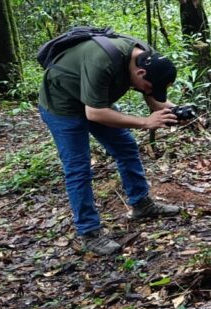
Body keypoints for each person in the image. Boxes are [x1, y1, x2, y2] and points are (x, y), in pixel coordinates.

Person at [37, 33, 183, 257]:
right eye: (146, 85)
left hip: (93, 100)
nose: (147, 90)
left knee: (125, 147)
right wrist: (145, 122)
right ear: (140, 73)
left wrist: (176, 111)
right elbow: (94, 113)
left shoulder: (145, 58)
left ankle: (141, 204)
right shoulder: (103, 60)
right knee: (79, 167)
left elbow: (152, 96)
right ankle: (89, 232)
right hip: (62, 104)